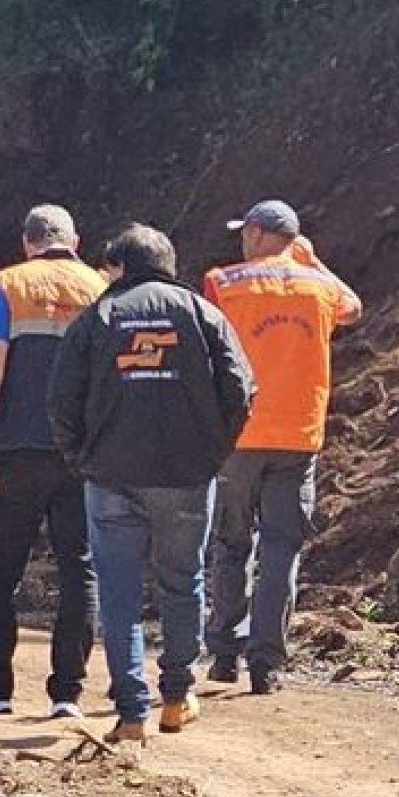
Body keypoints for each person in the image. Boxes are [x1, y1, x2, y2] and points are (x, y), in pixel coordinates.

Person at [47, 223, 255, 743]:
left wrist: (81, 458)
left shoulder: (97, 317)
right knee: (182, 582)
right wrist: (212, 451)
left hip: (110, 477)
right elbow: (240, 388)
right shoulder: (202, 314)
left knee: (117, 596)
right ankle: (178, 696)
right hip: (186, 477)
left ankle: (132, 711)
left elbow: (60, 400)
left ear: (119, 266)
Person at [201, 199, 363, 694]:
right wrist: (312, 262)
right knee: (281, 549)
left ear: (253, 234)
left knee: (231, 543)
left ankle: (224, 651)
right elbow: (353, 308)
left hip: (237, 435)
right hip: (298, 438)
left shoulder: (223, 283)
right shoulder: (320, 288)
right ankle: (266, 663)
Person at [0, 204, 109, 717]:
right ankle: (67, 693)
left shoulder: (9, 284)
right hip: (80, 453)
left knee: (3, 567)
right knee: (80, 569)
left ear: (28, 243)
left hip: (17, 448)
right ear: (76, 240)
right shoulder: (99, 288)